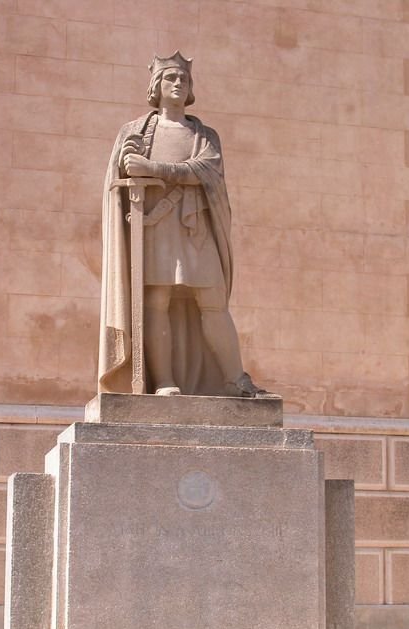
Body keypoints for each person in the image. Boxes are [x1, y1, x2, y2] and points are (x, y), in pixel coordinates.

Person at [98, 51, 267, 397]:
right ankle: (163, 381)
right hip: (154, 226)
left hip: (196, 226)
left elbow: (207, 170)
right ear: (156, 85)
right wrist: (128, 165)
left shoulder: (204, 135)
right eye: (171, 78)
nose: (178, 83)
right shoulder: (135, 132)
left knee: (213, 300)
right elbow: (118, 181)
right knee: (157, 300)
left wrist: (152, 169)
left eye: (184, 79)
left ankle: (235, 379)